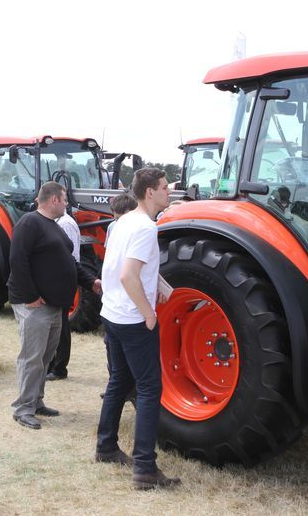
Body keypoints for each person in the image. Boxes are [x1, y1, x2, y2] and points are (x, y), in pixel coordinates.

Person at [94, 168, 181, 489]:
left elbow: (117, 265)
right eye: (164, 187)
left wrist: (158, 283)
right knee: (149, 390)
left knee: (119, 380)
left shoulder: (123, 221)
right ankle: (145, 468)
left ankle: (105, 446)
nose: (168, 192)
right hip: (132, 318)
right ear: (149, 193)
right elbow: (129, 275)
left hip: (112, 314)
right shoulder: (145, 227)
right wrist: (149, 314)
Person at [8, 181, 99, 430]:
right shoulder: (29, 222)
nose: (67, 204)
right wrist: (30, 296)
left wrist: (91, 283)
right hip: (35, 305)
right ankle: (23, 409)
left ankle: (36, 402)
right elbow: (17, 259)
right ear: (54, 200)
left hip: (55, 305)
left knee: (46, 357)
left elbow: (69, 262)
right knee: (32, 357)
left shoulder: (54, 226)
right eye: (65, 199)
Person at [46, 209, 101, 381]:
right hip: (57, 277)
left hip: (62, 277)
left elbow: (69, 256)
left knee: (61, 326)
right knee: (54, 324)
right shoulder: (56, 222)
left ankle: (59, 368)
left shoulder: (65, 224)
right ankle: (51, 364)